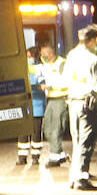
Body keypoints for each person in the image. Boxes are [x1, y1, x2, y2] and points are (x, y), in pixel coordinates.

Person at [64, 23, 97, 190]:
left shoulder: (71, 56)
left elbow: (65, 78)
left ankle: (74, 177)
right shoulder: (95, 60)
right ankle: (81, 179)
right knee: (87, 142)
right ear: (92, 40)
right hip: (88, 104)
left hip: (73, 102)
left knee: (77, 141)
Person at [37, 39, 71, 167]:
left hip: (61, 99)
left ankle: (55, 158)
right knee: (47, 129)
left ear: (50, 54)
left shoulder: (62, 64)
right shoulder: (46, 65)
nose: (42, 57)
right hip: (51, 100)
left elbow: (66, 81)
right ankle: (60, 154)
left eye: (43, 54)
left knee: (56, 129)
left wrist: (50, 85)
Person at [17, 36, 49, 165]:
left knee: (25, 131)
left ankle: (23, 157)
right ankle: (34, 157)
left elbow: (37, 83)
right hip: (37, 105)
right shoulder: (42, 67)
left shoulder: (30, 68)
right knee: (36, 132)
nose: (27, 57)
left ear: (32, 56)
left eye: (28, 55)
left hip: (29, 104)